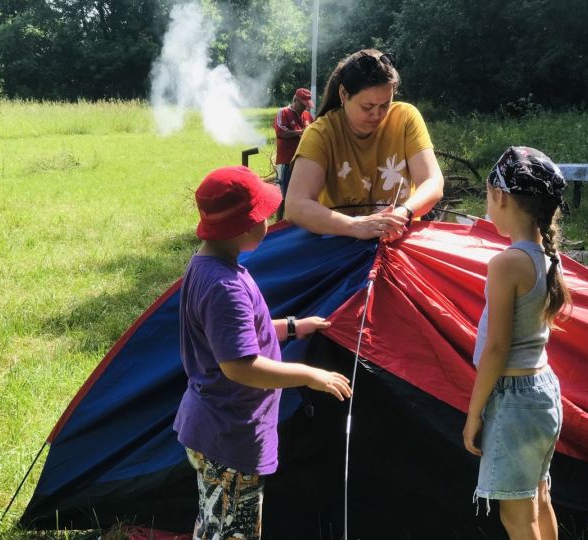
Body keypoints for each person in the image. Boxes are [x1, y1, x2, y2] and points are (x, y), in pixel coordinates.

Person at [173, 165, 352, 540]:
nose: (270, 221)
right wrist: (310, 375)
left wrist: (290, 326)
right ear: (243, 227)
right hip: (230, 435)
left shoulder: (207, 266)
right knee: (231, 532)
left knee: (214, 524)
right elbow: (240, 365)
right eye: (264, 215)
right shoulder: (225, 286)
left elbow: (234, 334)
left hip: (213, 426)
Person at [463, 147, 572, 540]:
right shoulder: (546, 256)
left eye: (488, 196)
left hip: (513, 398)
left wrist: (474, 413)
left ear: (502, 197)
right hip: (543, 392)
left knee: (516, 516)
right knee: (539, 496)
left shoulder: (507, 263)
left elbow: (496, 348)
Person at [284, 49, 444, 240]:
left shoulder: (406, 118)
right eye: (367, 107)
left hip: (399, 241)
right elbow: (295, 205)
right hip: (342, 244)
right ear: (343, 94)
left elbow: (433, 181)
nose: (377, 114)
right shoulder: (321, 133)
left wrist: (405, 212)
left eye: (385, 105)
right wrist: (356, 226)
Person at [274, 88, 315, 219]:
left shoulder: (308, 116)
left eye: (307, 106)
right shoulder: (284, 112)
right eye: (303, 105)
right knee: (284, 194)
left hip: (304, 161)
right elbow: (281, 132)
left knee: (304, 194)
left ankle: (296, 220)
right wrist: (302, 132)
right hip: (287, 161)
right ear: (295, 100)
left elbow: (314, 132)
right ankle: (279, 222)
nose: (305, 108)